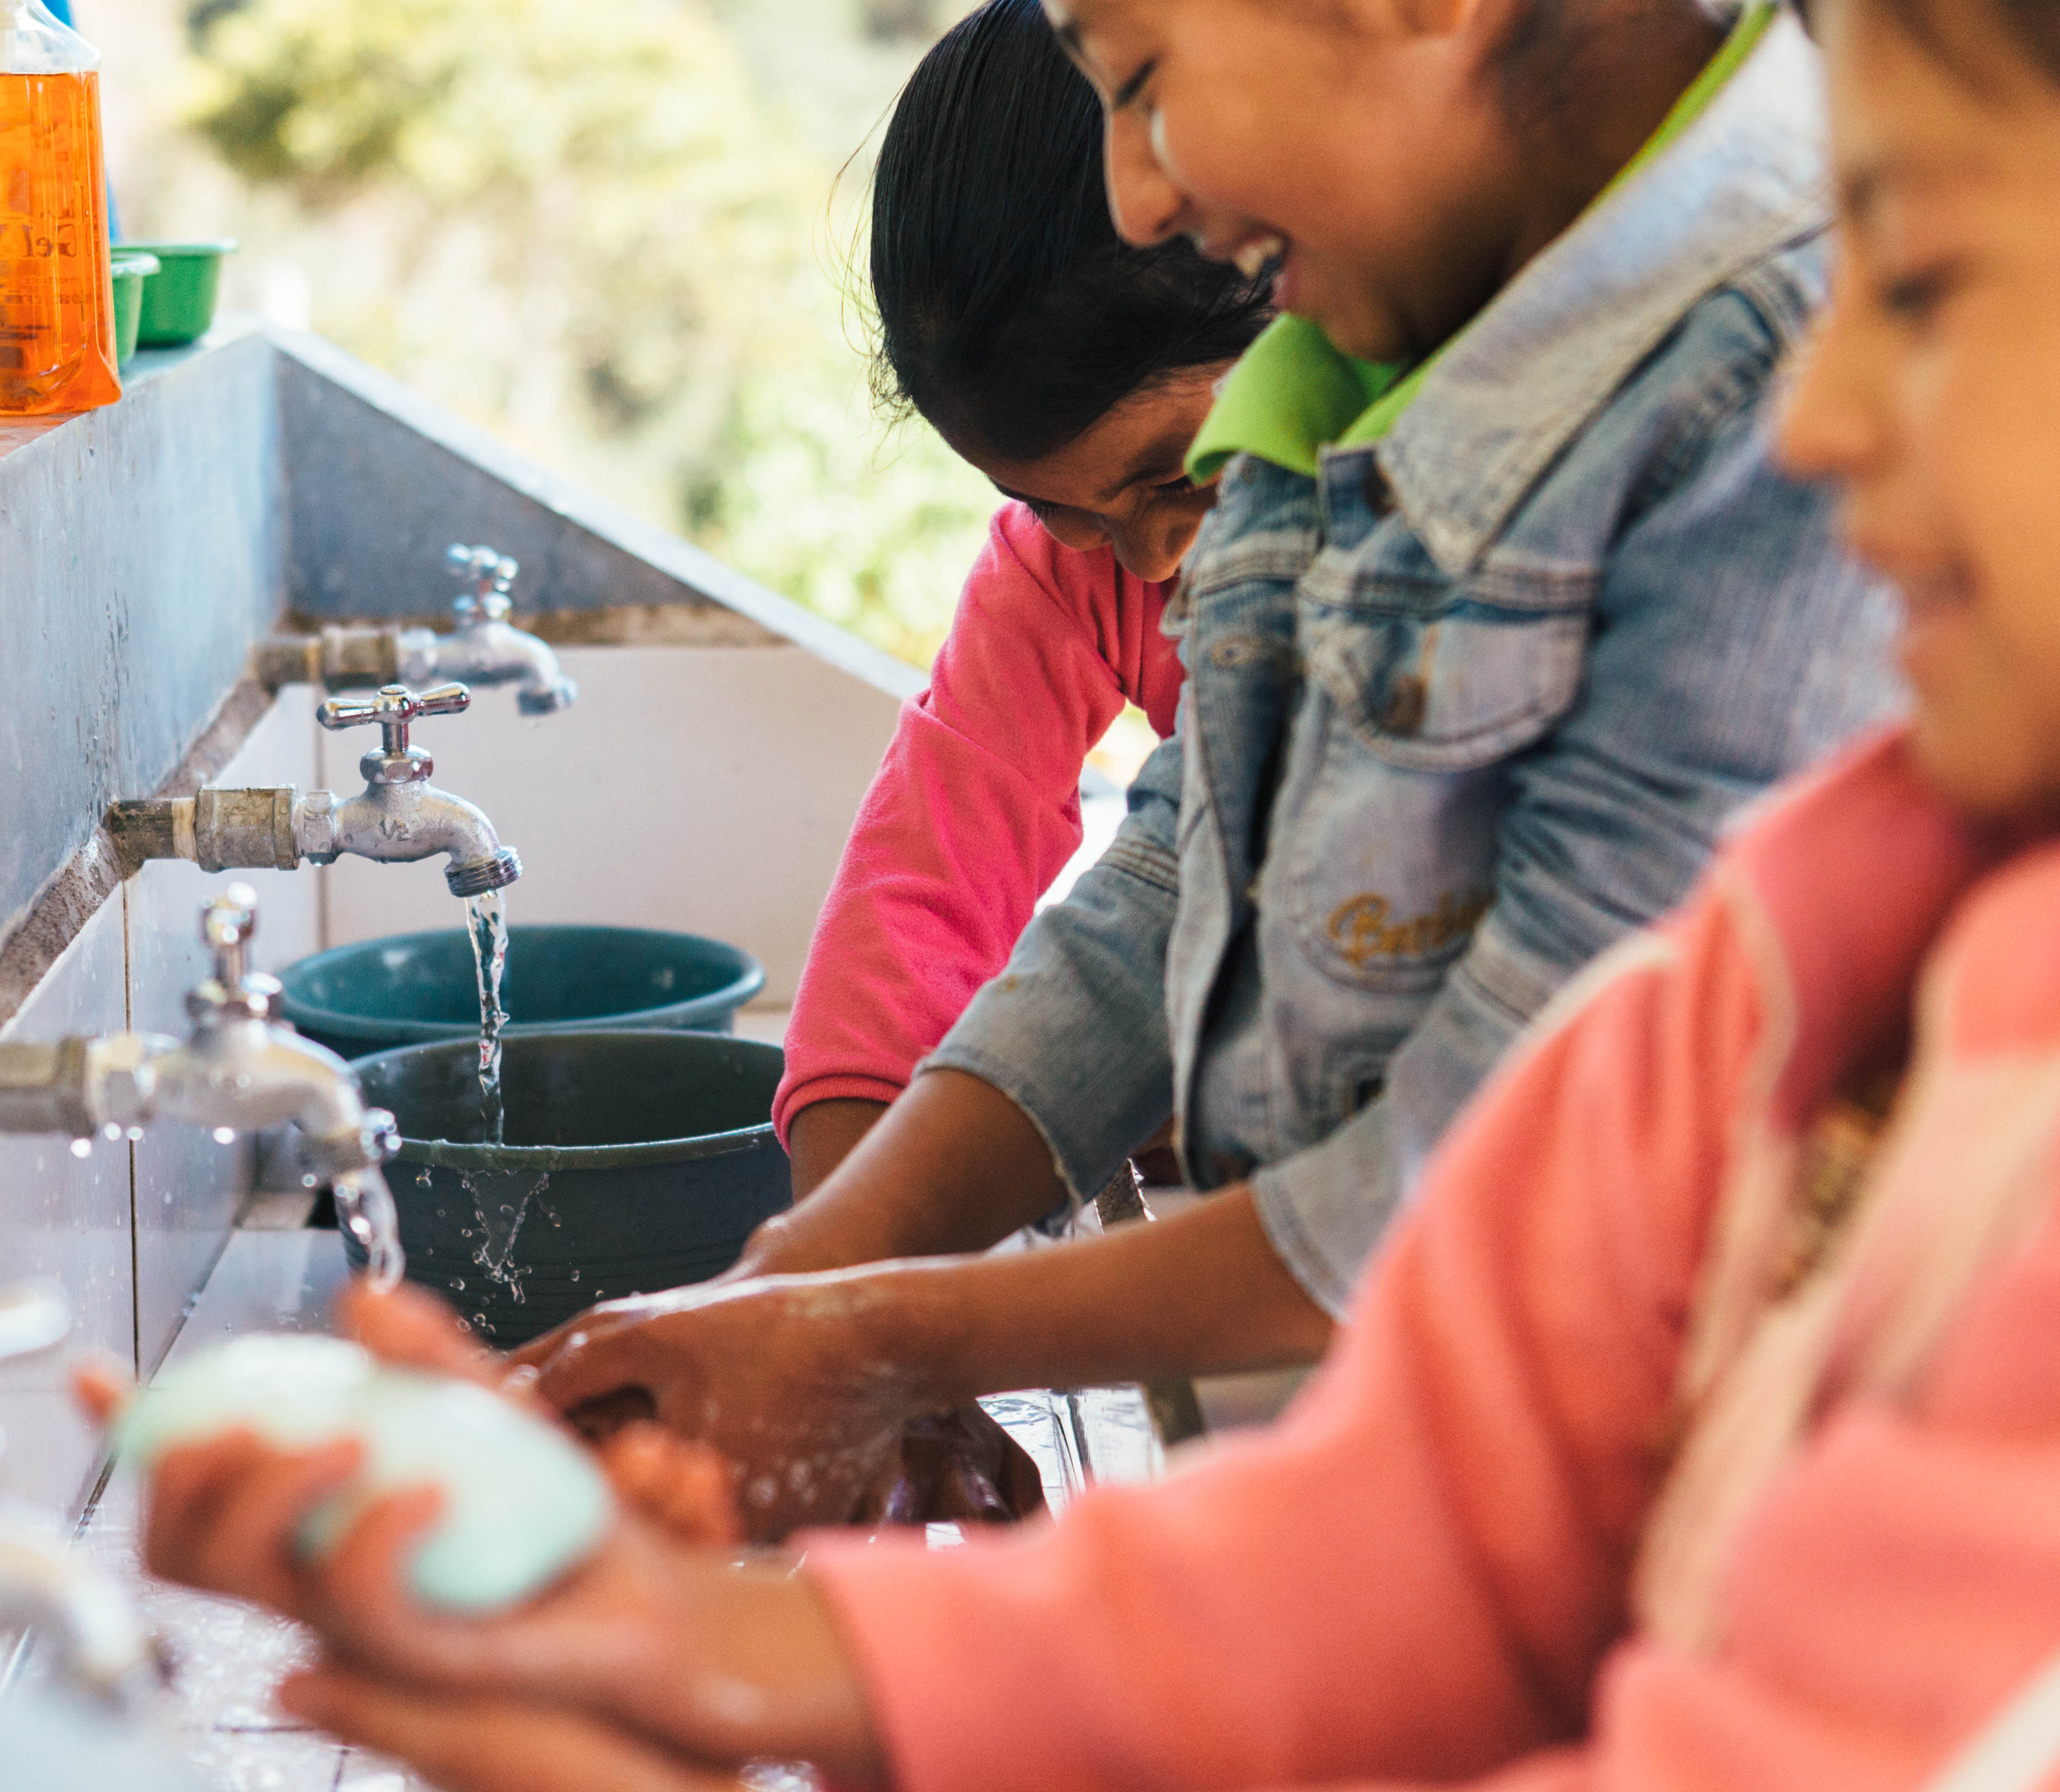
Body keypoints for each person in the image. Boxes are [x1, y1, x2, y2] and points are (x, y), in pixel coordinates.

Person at [106, 1, 2060, 1782]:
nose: (1142, 187)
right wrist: (787, 1408)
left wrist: (887, 1352)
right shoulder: (1764, 949)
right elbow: (1427, 1522)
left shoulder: (1713, 444)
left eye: (1927, 279)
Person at [511, 0, 1903, 1541]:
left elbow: (1504, 1168)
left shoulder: (1777, 380)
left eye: (1144, 82)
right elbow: (1182, 864)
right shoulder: (1342, 360)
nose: (1136, 198)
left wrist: (876, 1334)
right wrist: (814, 1272)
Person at [773, 0, 1267, 1204]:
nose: (1142, 562)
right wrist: (831, 1301)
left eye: (1180, 472)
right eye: (1060, 506)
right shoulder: (1067, 572)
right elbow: (916, 900)